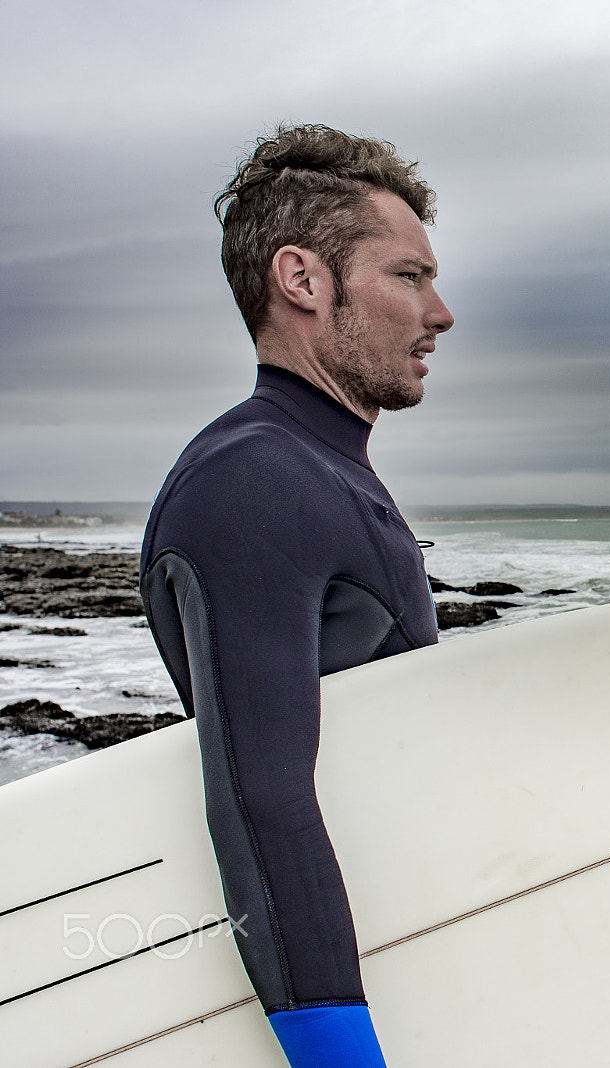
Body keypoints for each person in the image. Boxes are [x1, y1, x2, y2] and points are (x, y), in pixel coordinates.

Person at [139, 124, 453, 1068]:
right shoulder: (256, 482)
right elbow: (261, 797)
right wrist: (339, 1055)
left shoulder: (315, 468)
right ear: (304, 280)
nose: (440, 312)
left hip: (416, 954)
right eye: (408, 276)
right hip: (345, 1003)